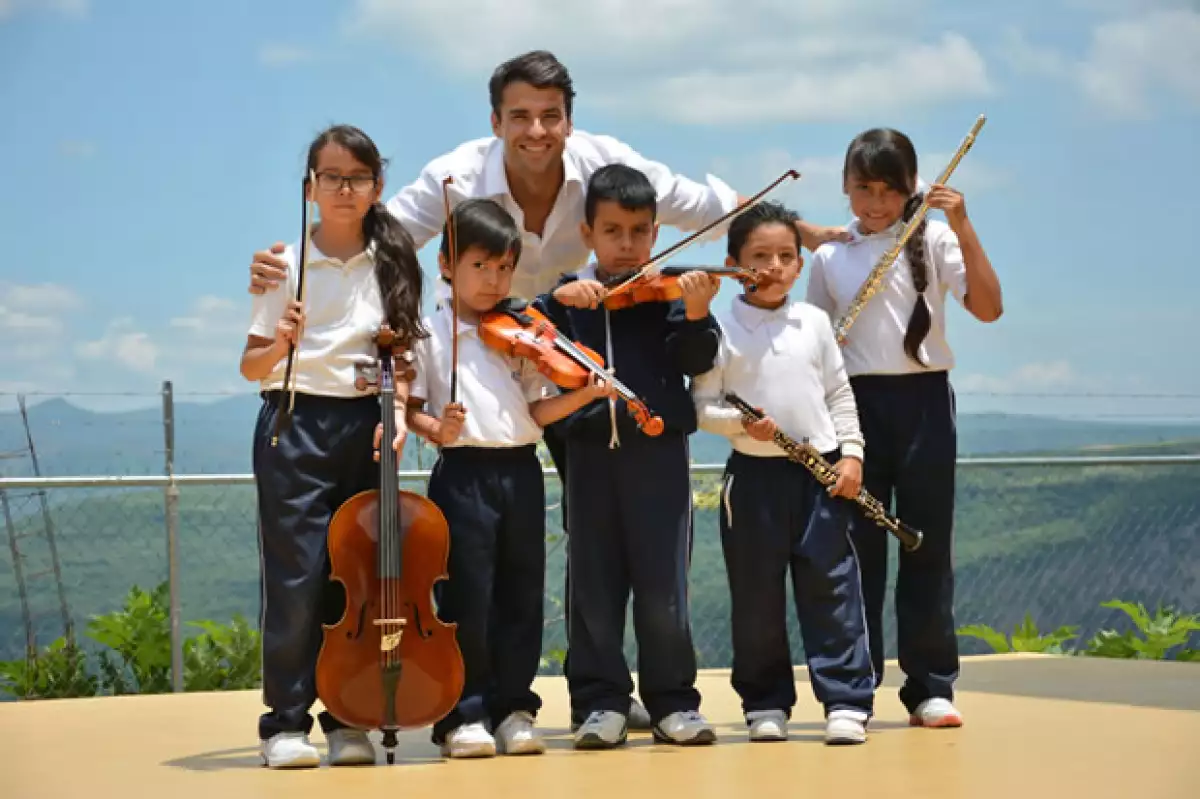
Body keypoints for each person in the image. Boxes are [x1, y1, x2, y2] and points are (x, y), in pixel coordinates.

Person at [404, 197, 618, 759]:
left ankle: (514, 709)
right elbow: (412, 409)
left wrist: (584, 395)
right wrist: (439, 429)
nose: (493, 280)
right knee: (467, 597)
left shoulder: (520, 330)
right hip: (463, 473)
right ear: (446, 264)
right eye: (479, 265)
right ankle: (463, 714)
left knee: (522, 593)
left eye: (503, 268)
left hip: (522, 469)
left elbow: (535, 412)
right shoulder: (429, 333)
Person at [240, 124, 425, 768]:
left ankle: (349, 718)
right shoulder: (283, 265)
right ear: (311, 187)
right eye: (332, 178)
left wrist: (398, 411)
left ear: (378, 186)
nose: (345, 189)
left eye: (358, 178)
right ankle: (284, 723)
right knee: (297, 577)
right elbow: (249, 366)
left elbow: (403, 357)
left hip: (367, 423)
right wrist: (282, 342)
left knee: (362, 581)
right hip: (294, 420)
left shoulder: (396, 261)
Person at [805, 127, 1003, 729]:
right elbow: (815, 345)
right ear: (845, 187)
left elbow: (989, 308)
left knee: (927, 546)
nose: (875, 203)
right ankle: (853, 692)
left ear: (912, 187)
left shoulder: (935, 239)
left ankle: (930, 687)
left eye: (889, 191)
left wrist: (962, 223)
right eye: (863, 189)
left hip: (924, 402)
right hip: (853, 407)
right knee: (856, 553)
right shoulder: (830, 256)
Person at [531, 163, 722, 749]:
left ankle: (673, 703)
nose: (626, 244)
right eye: (612, 231)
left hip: (658, 455)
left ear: (657, 233)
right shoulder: (568, 299)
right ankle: (600, 702)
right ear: (587, 233)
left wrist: (696, 313)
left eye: (640, 232)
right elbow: (521, 328)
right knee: (593, 586)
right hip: (588, 456)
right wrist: (554, 297)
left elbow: (696, 361)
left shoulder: (669, 294)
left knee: (664, 587)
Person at [691, 200, 876, 745]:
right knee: (756, 598)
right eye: (759, 256)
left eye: (785, 256)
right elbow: (703, 407)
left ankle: (846, 701)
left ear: (800, 264)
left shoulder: (814, 322)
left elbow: (838, 392)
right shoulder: (719, 328)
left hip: (821, 475)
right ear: (732, 265)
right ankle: (765, 703)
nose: (773, 267)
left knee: (833, 590)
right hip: (753, 480)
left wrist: (852, 454)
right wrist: (744, 427)